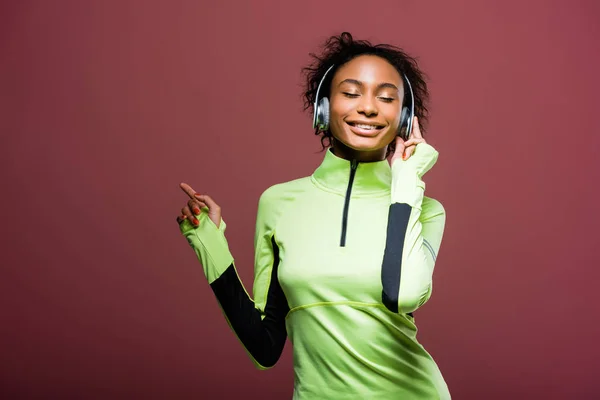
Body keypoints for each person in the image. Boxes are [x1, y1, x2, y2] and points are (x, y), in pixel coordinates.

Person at [175, 32, 450, 399]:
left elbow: (402, 294)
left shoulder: (424, 208)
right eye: (351, 93)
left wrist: (406, 180)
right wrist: (208, 243)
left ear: (404, 119)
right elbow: (264, 346)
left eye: (386, 98)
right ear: (323, 108)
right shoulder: (279, 202)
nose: (368, 108)